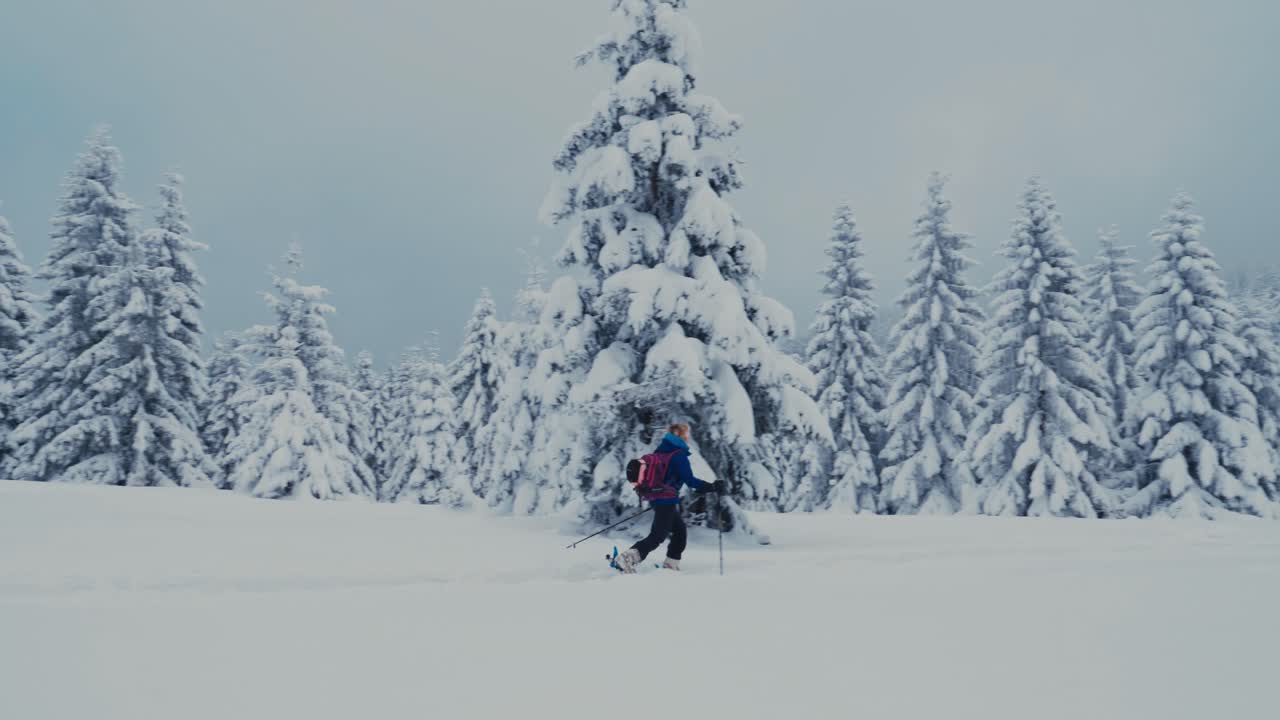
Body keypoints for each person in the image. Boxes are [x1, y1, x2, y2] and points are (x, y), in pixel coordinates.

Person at [615, 423, 722, 573]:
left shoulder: (661, 451)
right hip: (666, 500)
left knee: (679, 531)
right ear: (680, 435)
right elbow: (690, 481)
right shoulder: (678, 455)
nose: (688, 437)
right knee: (658, 536)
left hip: (658, 498)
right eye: (686, 434)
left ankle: (671, 564)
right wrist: (712, 486)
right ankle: (627, 558)